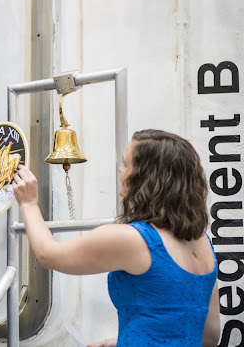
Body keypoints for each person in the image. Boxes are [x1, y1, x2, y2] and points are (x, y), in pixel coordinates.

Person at [12, 129, 221, 347]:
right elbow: (209, 336)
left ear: (146, 178)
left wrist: (29, 203)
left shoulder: (133, 239)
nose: (120, 170)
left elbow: (48, 255)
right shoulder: (203, 242)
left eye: (126, 164)